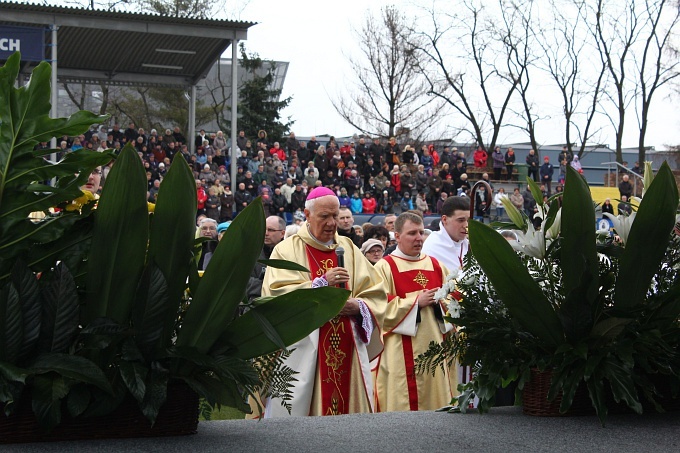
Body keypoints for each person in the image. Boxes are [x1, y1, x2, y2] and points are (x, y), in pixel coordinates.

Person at [261, 187, 386, 417]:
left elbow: (376, 292)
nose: (331, 223)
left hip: (348, 347)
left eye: (335, 216)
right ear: (307, 216)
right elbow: (278, 295)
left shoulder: (348, 248)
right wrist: (320, 285)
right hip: (305, 347)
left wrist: (357, 306)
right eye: (324, 216)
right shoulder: (287, 249)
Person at [374, 212, 457, 411]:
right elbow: (377, 306)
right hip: (400, 352)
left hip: (436, 346)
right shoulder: (384, 267)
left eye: (421, 232)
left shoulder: (436, 265)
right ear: (397, 236)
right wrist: (415, 302)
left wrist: (440, 301)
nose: (419, 238)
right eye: (412, 233)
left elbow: (455, 299)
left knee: (437, 399)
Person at [421, 196, 470, 274]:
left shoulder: (469, 245)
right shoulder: (432, 247)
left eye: (468, 220)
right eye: (461, 220)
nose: (466, 225)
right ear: (445, 219)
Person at [247, 216, 286, 302]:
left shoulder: (290, 253)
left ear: (282, 233)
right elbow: (242, 280)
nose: (266, 233)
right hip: (254, 303)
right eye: (264, 229)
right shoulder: (250, 252)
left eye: (271, 230)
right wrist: (266, 287)